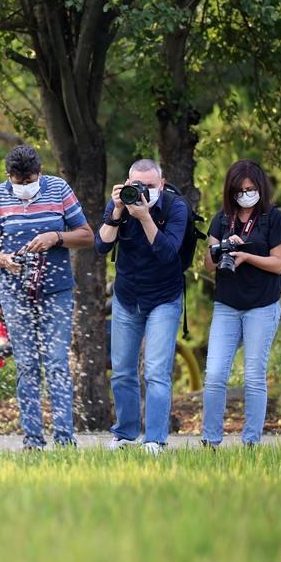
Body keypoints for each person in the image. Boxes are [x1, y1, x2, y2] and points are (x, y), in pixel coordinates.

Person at [0, 144, 93, 448]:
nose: (25, 188)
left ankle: (65, 438)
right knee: (27, 364)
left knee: (56, 362)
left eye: (30, 182)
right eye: (20, 183)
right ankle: (32, 439)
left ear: (39, 174)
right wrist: (5, 259)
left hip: (56, 290)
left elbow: (86, 235)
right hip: (15, 291)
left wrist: (56, 237)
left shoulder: (58, 189)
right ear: (9, 177)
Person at [94, 158, 188, 455]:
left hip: (164, 297)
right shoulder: (122, 202)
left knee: (156, 371)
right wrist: (119, 211)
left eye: (150, 185)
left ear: (161, 183)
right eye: (138, 185)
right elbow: (101, 245)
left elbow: (167, 253)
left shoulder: (176, 207)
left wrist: (145, 217)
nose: (143, 190)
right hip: (127, 296)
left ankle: (155, 440)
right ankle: (125, 434)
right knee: (122, 370)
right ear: (128, 182)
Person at [201, 160, 281, 447]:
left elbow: (278, 265)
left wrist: (247, 255)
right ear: (231, 191)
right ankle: (210, 441)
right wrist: (223, 247)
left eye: (250, 189)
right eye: (239, 190)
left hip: (262, 305)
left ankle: (251, 442)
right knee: (214, 374)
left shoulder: (273, 219)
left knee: (253, 375)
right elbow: (208, 266)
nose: (245, 194)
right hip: (227, 304)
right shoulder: (222, 219)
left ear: (260, 188)